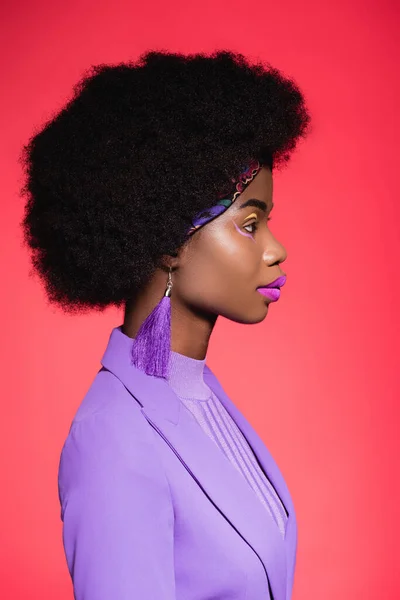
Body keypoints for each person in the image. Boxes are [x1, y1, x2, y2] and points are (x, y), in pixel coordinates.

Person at [20, 49, 311, 599]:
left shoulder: (201, 398)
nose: (276, 250)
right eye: (250, 224)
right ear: (169, 240)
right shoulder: (112, 439)